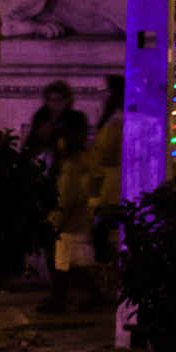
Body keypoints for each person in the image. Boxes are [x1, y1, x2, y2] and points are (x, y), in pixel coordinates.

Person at [40, 119, 103, 313]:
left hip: (70, 222)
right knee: (70, 264)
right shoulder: (80, 163)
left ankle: (61, 300)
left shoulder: (70, 167)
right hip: (77, 220)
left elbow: (66, 197)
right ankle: (72, 298)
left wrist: (55, 220)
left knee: (65, 263)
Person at [89, 75, 124, 266]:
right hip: (111, 186)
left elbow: (106, 155)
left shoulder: (115, 123)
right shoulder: (114, 120)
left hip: (110, 188)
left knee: (102, 234)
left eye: (105, 92)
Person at [25, 80, 89, 170]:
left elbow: (78, 143)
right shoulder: (41, 116)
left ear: (67, 100)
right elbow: (33, 143)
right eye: (52, 100)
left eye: (60, 100)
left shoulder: (77, 118)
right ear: (47, 101)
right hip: (44, 164)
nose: (56, 104)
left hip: (70, 164)